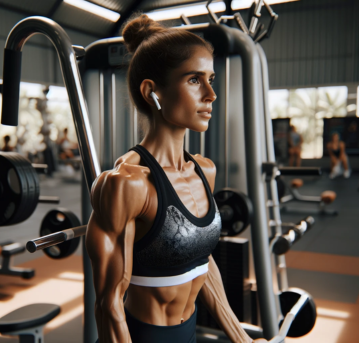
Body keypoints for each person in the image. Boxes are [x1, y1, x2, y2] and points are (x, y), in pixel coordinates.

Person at [85, 15, 267, 343]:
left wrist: (242, 338)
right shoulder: (128, 184)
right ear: (152, 92)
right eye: (195, 80)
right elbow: (108, 304)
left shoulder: (204, 170)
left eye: (211, 78)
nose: (211, 93)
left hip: (188, 331)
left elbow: (201, 261)